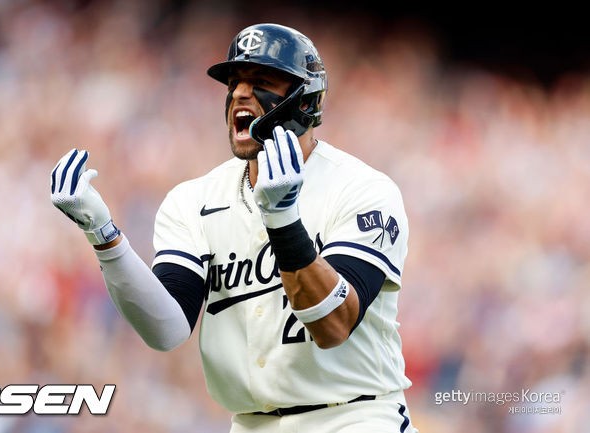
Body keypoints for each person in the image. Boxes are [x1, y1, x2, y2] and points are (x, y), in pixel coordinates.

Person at [50, 23, 418, 433]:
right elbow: (167, 330)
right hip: (249, 424)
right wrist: (104, 236)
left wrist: (282, 219)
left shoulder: (362, 188)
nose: (240, 94)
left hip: (355, 417)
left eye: (260, 81)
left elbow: (333, 326)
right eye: (234, 83)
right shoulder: (193, 200)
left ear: (305, 101)